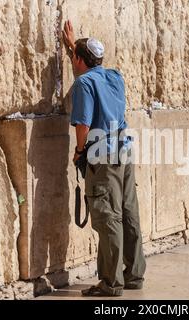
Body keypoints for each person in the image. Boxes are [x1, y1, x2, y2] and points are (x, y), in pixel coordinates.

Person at [62, 20, 146, 296]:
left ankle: (110, 283)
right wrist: (74, 48)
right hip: (123, 150)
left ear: (78, 59)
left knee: (108, 217)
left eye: (74, 57)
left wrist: (78, 152)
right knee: (128, 213)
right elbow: (89, 70)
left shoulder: (84, 83)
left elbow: (83, 124)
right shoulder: (114, 76)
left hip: (102, 155)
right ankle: (133, 274)